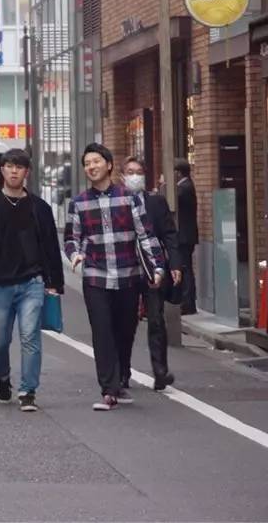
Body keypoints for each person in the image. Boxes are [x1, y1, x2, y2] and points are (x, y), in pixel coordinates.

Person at [0, 149, 64, 413]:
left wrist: (54, 282)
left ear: (27, 172)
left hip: (32, 281)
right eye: (9, 166)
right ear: (2, 170)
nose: (14, 171)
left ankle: (28, 390)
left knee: (30, 336)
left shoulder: (40, 208)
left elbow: (50, 246)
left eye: (19, 166)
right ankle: (3, 379)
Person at [65, 143, 165, 411]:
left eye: (96, 161)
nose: (91, 167)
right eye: (87, 163)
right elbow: (71, 239)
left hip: (128, 276)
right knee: (102, 332)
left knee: (124, 331)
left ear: (109, 165)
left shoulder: (130, 198)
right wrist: (74, 254)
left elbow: (146, 235)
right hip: (95, 277)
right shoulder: (78, 203)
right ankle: (108, 389)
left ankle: (121, 376)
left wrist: (157, 267)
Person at [122, 157, 183, 391]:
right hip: (125, 270)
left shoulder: (156, 203)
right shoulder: (117, 201)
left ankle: (160, 371)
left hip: (153, 269)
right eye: (130, 172)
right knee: (126, 323)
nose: (134, 176)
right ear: (122, 175)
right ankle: (123, 372)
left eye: (138, 172)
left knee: (156, 320)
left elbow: (170, 234)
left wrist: (175, 264)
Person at [174, 159, 198, 314]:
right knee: (185, 267)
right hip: (185, 235)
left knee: (185, 268)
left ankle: (188, 302)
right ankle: (187, 301)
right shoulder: (184, 186)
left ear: (178, 172)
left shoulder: (185, 187)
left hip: (184, 235)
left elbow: (171, 198)